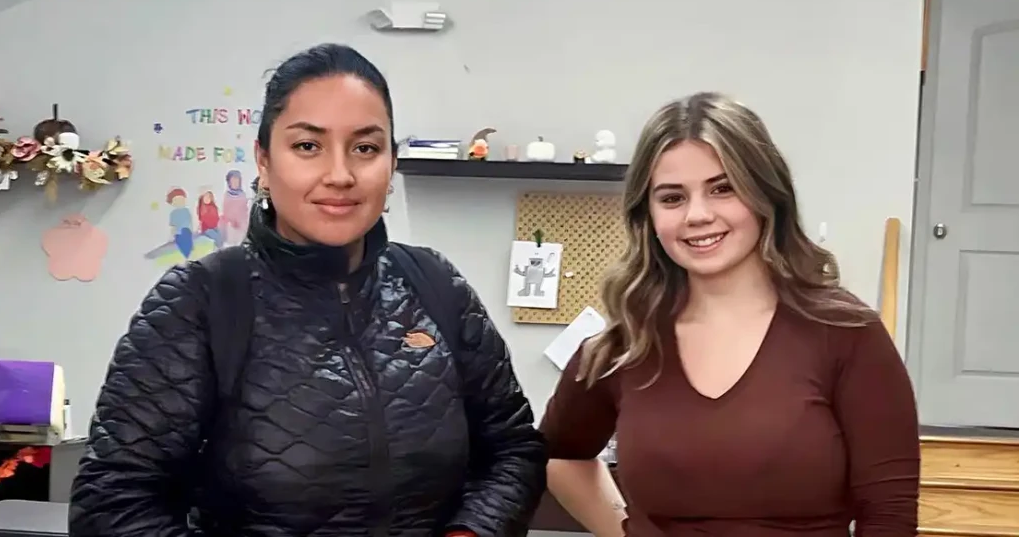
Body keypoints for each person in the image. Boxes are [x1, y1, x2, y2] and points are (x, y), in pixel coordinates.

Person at [69, 43, 546, 537]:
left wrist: (470, 533)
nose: (340, 175)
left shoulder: (434, 284)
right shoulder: (200, 302)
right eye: (307, 146)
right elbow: (112, 504)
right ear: (263, 160)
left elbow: (513, 449)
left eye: (365, 148)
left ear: (391, 162)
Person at [539, 92, 919, 537]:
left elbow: (889, 514)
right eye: (672, 198)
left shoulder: (845, 332)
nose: (697, 215)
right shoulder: (624, 346)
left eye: (723, 188)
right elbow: (558, 455)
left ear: (765, 195)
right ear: (648, 216)